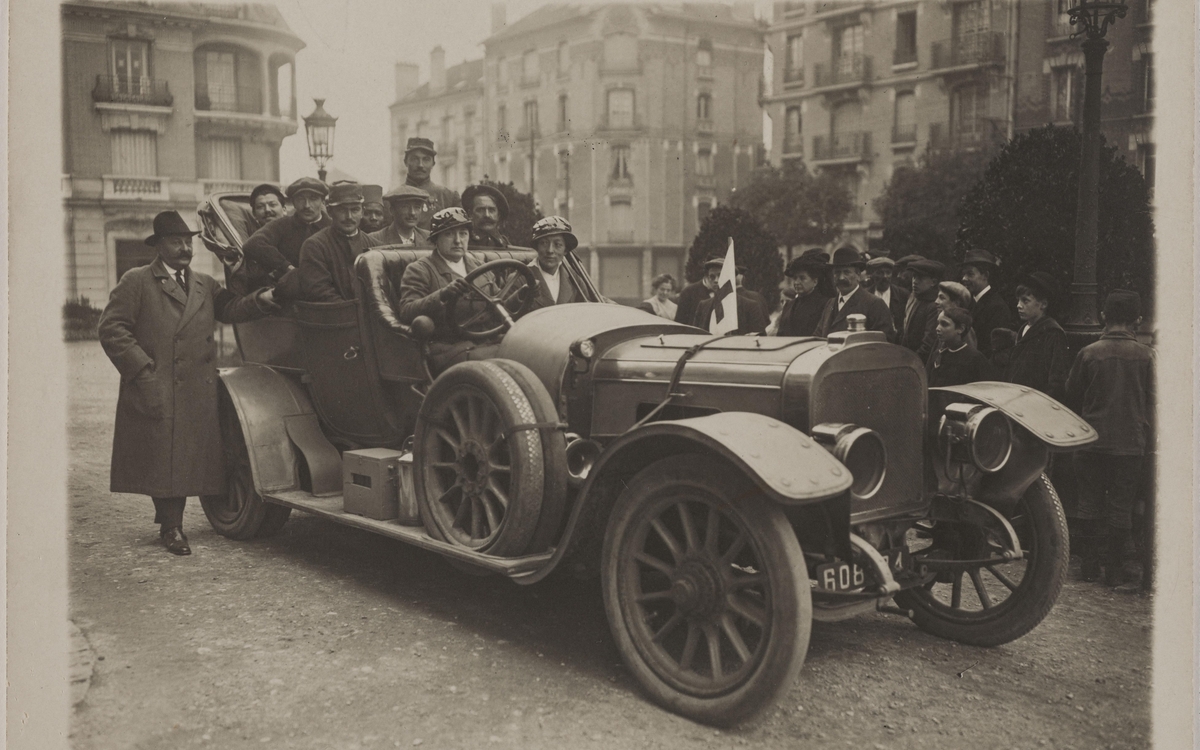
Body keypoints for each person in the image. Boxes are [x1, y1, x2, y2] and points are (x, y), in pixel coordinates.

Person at [97, 211, 277, 555]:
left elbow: (232, 309)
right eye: (176, 242)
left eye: (188, 241)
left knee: (190, 454)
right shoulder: (137, 281)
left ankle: (209, 517)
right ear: (159, 246)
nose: (185, 248)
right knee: (164, 455)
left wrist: (261, 301)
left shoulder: (203, 283)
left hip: (196, 387)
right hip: (156, 381)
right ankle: (171, 527)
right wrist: (142, 369)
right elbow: (111, 329)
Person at [1064, 290, 1155, 589]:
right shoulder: (1147, 356)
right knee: (1121, 507)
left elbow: (1072, 394)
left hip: (1090, 440)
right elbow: (1154, 400)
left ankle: (1089, 566)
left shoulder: (1089, 353)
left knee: (1088, 503)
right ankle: (1114, 571)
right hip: (1130, 444)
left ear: (1103, 316)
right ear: (1137, 321)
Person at [397, 207, 506, 371]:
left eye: (463, 233)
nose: (458, 240)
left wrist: (519, 296)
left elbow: (497, 304)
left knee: (526, 350)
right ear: (436, 239)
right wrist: (442, 294)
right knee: (499, 362)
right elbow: (407, 310)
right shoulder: (420, 269)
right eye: (449, 234)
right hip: (448, 348)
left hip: (486, 340)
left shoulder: (479, 265)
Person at [241, 177, 331, 299]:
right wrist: (286, 267)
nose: (307, 205)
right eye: (300, 199)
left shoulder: (333, 227)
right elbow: (252, 244)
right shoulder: (281, 225)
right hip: (292, 297)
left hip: (327, 293)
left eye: (313, 199)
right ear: (293, 203)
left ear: (323, 202)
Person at [991, 271, 1070, 401]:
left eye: (1025, 301)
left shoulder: (1053, 333)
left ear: (1043, 304)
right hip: (1016, 402)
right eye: (1018, 300)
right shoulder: (1025, 329)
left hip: (1034, 406)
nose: (1018, 305)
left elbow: (1057, 380)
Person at [298, 182, 379, 302]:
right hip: (334, 317)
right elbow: (319, 291)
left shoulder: (375, 246)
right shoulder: (315, 246)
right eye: (342, 210)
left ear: (362, 212)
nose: (349, 217)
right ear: (330, 211)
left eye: (355, 210)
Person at [813, 246, 895, 338]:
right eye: (837, 272)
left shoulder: (874, 304)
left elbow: (883, 343)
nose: (841, 278)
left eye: (846, 272)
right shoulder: (830, 304)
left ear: (858, 275)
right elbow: (818, 336)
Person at [693, 257, 769, 335]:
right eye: (712, 277)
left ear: (731, 278)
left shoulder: (750, 306)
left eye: (721, 275)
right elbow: (695, 337)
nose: (716, 280)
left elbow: (760, 338)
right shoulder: (703, 306)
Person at [960, 248, 1015, 358]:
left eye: (970, 274)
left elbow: (993, 351)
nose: (964, 279)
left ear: (985, 275)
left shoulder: (997, 307)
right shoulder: (969, 302)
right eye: (964, 274)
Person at [524, 216, 586, 309]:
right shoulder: (521, 278)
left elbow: (591, 303)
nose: (550, 250)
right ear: (537, 247)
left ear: (565, 250)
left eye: (557, 245)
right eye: (544, 243)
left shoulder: (573, 278)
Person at [401, 137, 460, 230]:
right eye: (415, 159)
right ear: (405, 162)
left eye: (426, 159)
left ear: (433, 163)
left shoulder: (448, 197)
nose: (420, 165)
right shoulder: (393, 198)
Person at [926, 308, 994, 387]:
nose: (937, 328)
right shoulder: (937, 354)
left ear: (960, 329)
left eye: (944, 324)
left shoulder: (975, 358)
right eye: (938, 323)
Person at [774, 251, 829, 337]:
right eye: (795, 278)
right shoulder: (789, 305)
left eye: (802, 278)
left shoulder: (824, 304)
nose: (797, 282)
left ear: (815, 281)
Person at [900, 258, 943, 358]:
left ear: (933, 282)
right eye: (914, 277)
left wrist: (909, 361)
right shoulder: (916, 298)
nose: (915, 281)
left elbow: (928, 345)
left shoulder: (933, 305)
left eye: (920, 278)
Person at [866, 255, 908, 340]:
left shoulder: (902, 295)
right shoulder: (865, 295)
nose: (884, 276)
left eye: (888, 272)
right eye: (880, 272)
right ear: (872, 275)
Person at [461, 183, 510, 248]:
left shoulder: (504, 243)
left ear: (498, 215)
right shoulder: (463, 242)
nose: (487, 215)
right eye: (481, 210)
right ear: (470, 214)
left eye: (491, 210)